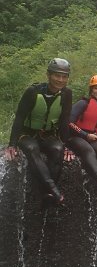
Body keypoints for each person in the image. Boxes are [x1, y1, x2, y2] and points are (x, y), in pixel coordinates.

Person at [5, 58, 73, 203]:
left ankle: (46, 195)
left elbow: (65, 120)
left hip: (48, 135)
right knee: (32, 148)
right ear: (48, 75)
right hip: (27, 133)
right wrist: (12, 144)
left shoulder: (67, 94)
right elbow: (19, 117)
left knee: (58, 149)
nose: (60, 79)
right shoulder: (33, 91)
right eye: (57, 75)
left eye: (64, 76)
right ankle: (53, 189)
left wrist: (66, 145)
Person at [68, 74, 97, 192]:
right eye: (96, 88)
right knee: (87, 149)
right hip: (77, 136)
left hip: (95, 137)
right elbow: (68, 122)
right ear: (91, 90)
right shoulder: (83, 104)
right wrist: (85, 135)